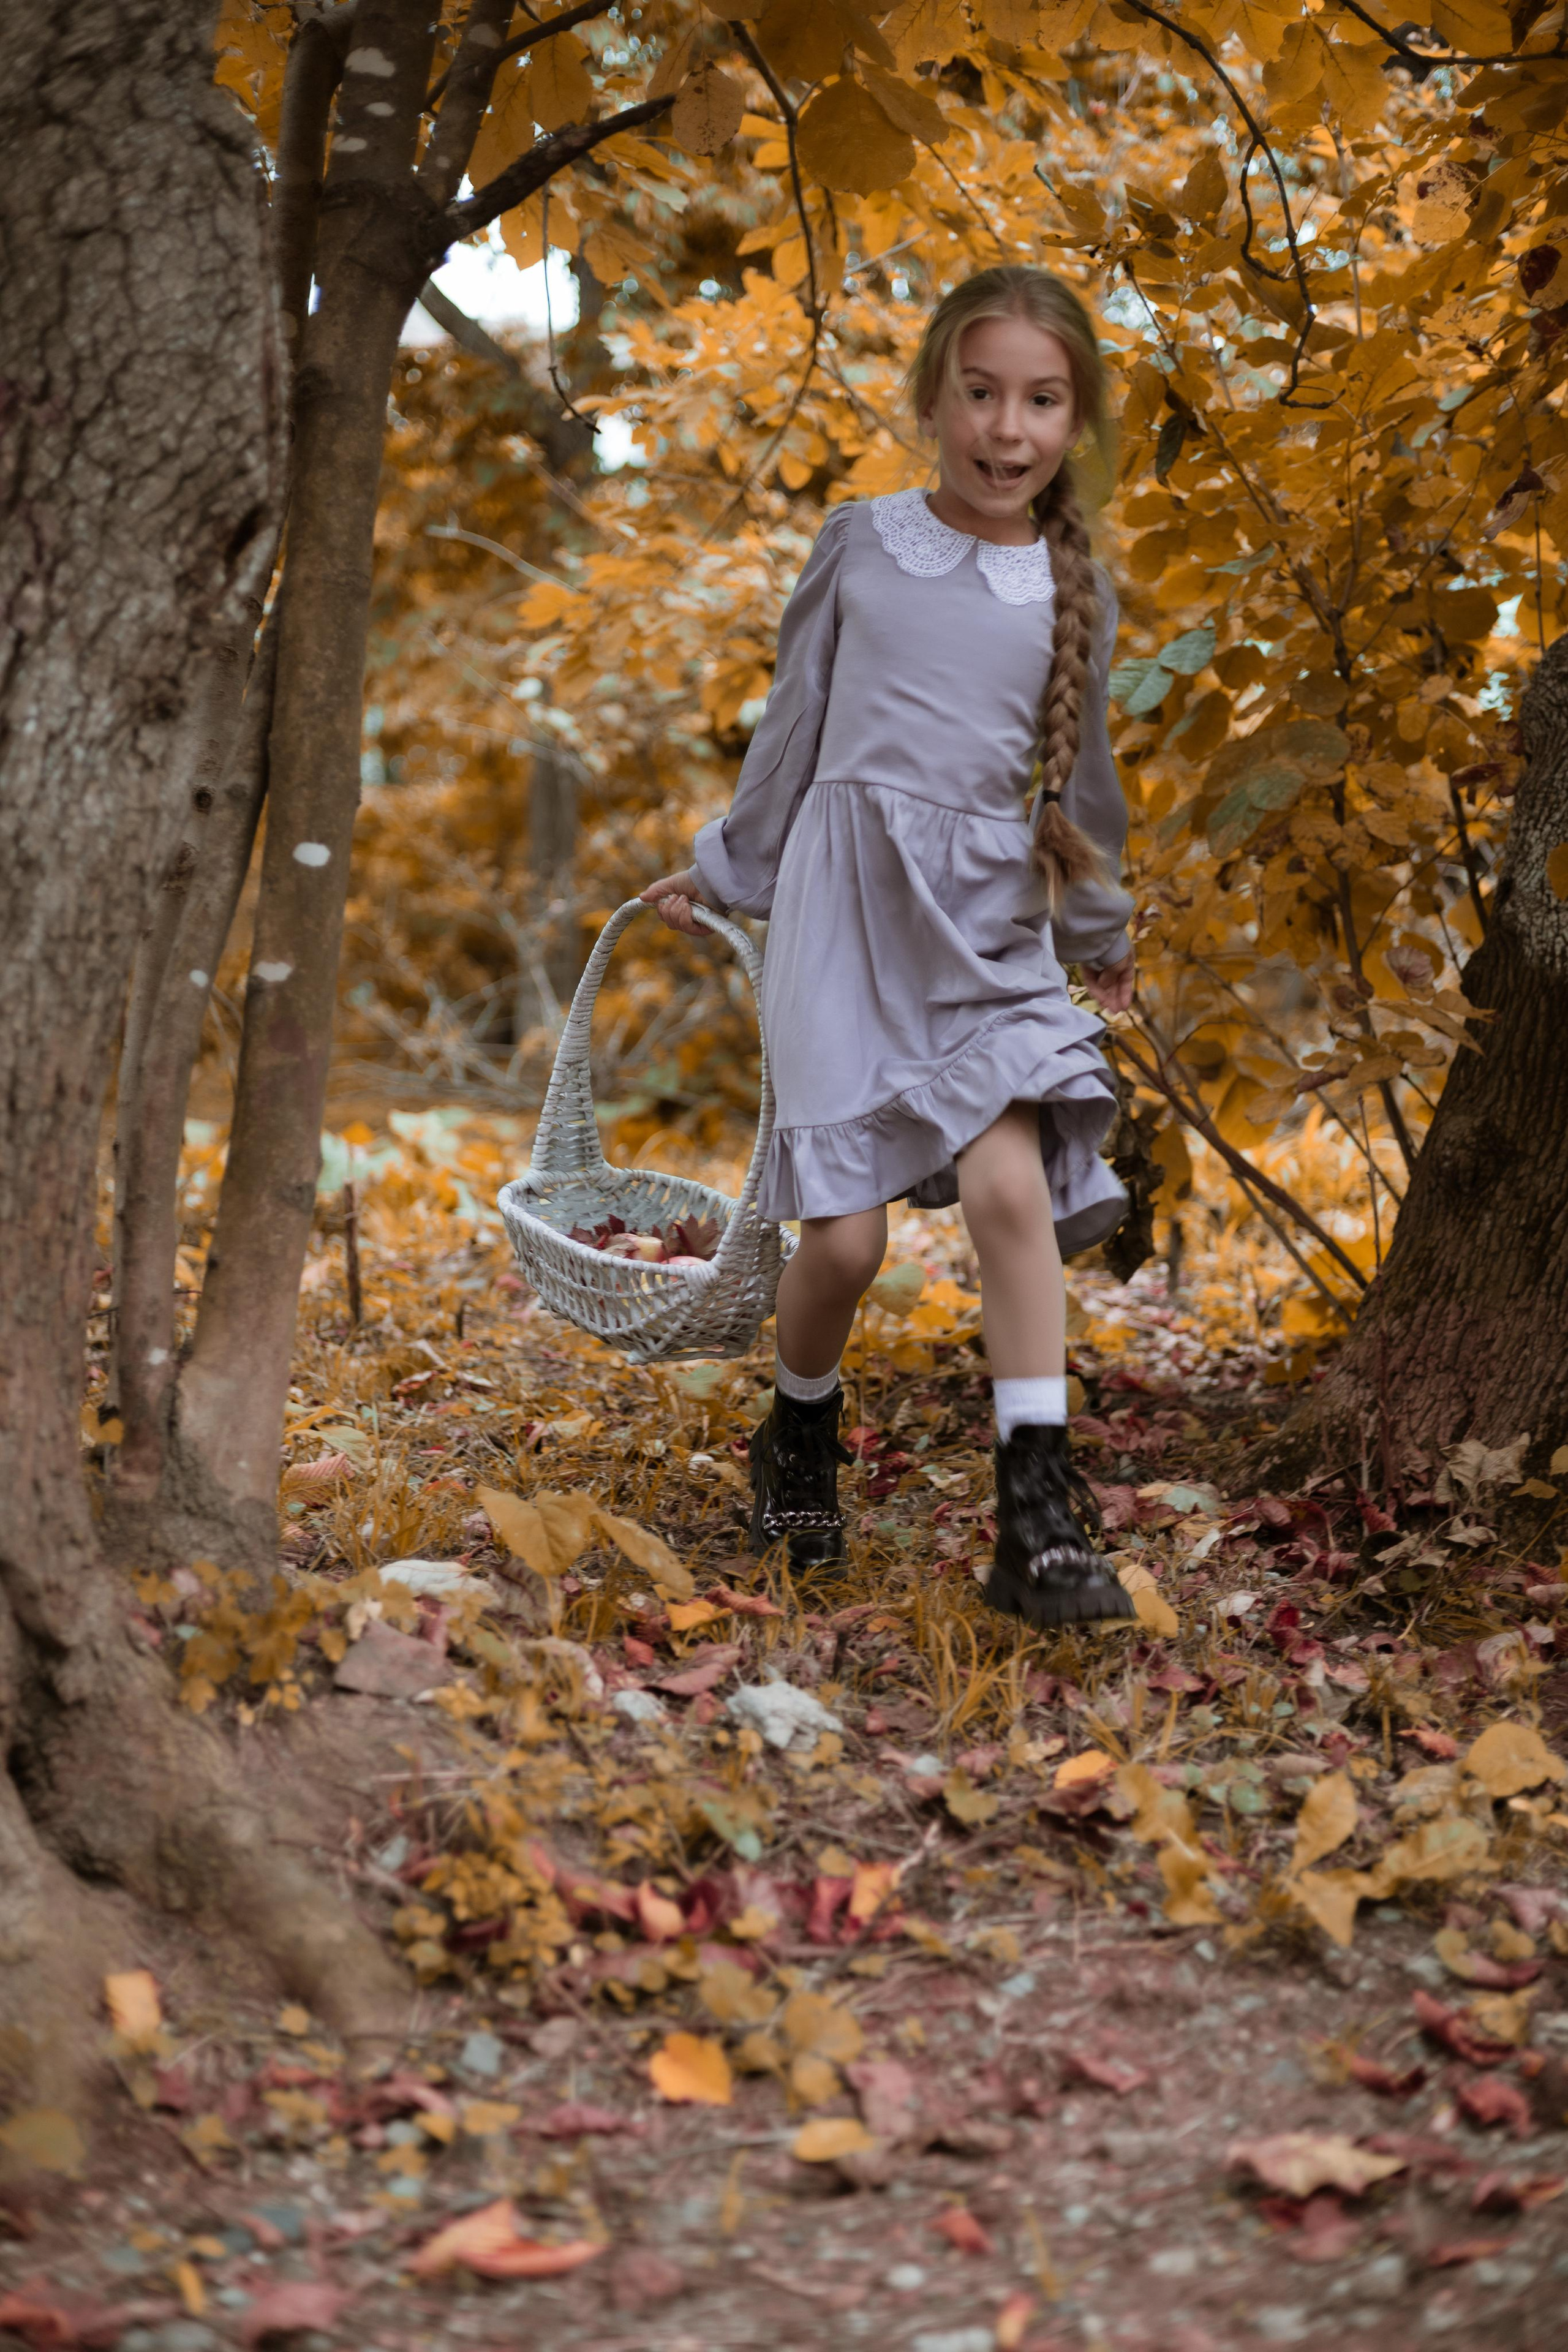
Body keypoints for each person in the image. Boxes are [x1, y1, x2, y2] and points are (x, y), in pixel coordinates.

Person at [641, 266, 1136, 1629]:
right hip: (843, 915)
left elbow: (1078, 791)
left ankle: (1034, 1517)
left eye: (1039, 401)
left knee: (1008, 1192)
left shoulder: (1070, 587)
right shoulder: (859, 542)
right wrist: (727, 872)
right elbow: (790, 733)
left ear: (1070, 420)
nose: (1004, 426)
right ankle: (796, 1431)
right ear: (932, 397)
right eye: (978, 393)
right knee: (846, 1247)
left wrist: (1098, 940)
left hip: (985, 927)